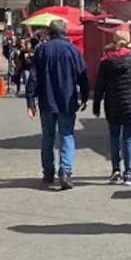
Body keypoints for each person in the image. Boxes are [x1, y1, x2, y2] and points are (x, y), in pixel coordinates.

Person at [26, 20, 89, 190]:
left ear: (49, 32)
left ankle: (48, 172)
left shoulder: (41, 51)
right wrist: (84, 96)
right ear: (65, 31)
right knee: (66, 134)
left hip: (46, 100)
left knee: (47, 136)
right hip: (67, 100)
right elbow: (82, 75)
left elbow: (33, 77)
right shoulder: (73, 50)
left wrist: (30, 100)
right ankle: (65, 171)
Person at [93, 35, 131, 185]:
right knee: (129, 137)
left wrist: (96, 105)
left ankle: (115, 169)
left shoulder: (106, 61)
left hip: (112, 104)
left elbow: (99, 86)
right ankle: (129, 173)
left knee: (114, 136)